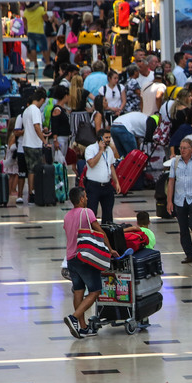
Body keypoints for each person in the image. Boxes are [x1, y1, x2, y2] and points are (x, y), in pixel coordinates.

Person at [63, 186, 118, 339]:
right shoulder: (87, 212)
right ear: (81, 199)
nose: (87, 198)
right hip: (85, 258)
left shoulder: (67, 216)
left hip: (71, 259)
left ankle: (83, 327)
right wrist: (110, 249)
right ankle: (74, 317)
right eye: (85, 196)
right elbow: (99, 231)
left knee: (78, 291)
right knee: (95, 291)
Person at [84, 129, 121, 224]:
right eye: (106, 137)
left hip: (107, 185)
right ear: (100, 138)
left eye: (109, 137)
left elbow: (111, 166)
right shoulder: (90, 149)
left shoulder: (109, 150)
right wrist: (100, 151)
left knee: (108, 213)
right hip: (93, 186)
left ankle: (107, 233)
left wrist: (116, 182)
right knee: (92, 212)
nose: (108, 140)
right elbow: (91, 164)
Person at [21, 89, 49, 205]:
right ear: (42, 99)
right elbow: (36, 126)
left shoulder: (27, 110)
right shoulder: (36, 110)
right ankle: (32, 194)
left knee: (30, 170)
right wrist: (44, 141)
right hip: (34, 144)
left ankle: (30, 193)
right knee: (34, 170)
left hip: (26, 143)